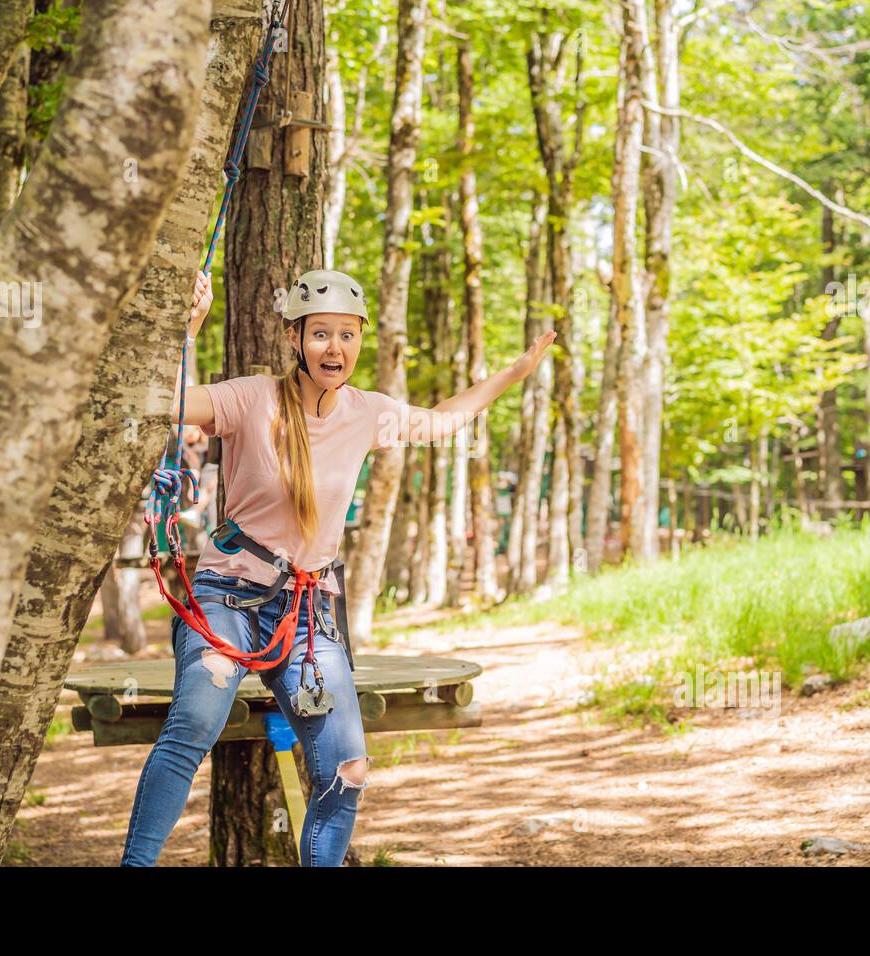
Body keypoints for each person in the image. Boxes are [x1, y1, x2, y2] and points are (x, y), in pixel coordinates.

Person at [120, 267, 554, 867]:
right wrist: (188, 329)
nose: (336, 348)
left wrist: (515, 373)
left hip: (305, 609)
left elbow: (444, 418)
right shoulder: (250, 399)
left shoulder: (367, 412)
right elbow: (167, 403)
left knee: (347, 769)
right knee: (194, 722)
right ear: (296, 339)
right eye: (321, 334)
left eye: (348, 335)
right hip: (229, 594)